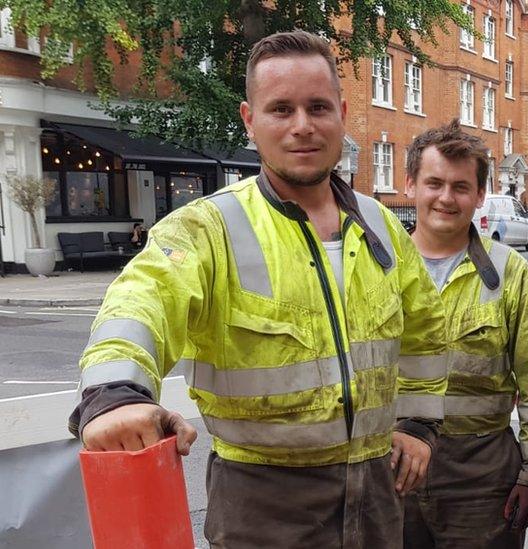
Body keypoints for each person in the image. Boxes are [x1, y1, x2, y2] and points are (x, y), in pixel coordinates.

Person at [69, 30, 448, 548]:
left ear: (341, 111)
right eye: (280, 109)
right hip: (262, 503)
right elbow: (140, 301)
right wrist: (114, 395)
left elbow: (426, 336)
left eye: (317, 107)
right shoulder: (207, 228)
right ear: (250, 120)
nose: (302, 127)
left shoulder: (381, 225)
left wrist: (417, 425)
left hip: (376, 494)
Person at [401, 120, 528, 548]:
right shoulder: (376, 268)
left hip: (481, 477)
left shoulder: (511, 274)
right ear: (410, 186)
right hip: (391, 469)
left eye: (460, 187)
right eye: (433, 183)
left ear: (478, 195)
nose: (445, 197)